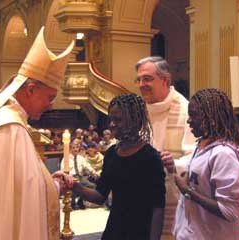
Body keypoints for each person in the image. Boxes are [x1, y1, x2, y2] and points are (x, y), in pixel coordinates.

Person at [0, 26, 74, 240]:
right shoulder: (11, 129)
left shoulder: (1, 119)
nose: (51, 106)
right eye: (49, 97)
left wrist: (46, 180)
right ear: (30, 89)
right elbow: (26, 201)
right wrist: (56, 185)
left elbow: (14, 190)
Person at [66, 93, 166, 240]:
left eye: (118, 120)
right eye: (111, 119)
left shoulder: (150, 157)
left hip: (139, 233)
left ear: (135, 120)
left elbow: (158, 207)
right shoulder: (112, 153)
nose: (112, 124)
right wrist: (75, 186)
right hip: (114, 231)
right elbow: (100, 196)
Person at [135, 56, 196, 239]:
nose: (141, 84)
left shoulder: (186, 111)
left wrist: (172, 164)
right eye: (138, 79)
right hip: (142, 193)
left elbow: (195, 156)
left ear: (165, 80)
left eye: (147, 78)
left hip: (172, 194)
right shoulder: (139, 112)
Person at [174, 88, 239, 240]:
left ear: (211, 118)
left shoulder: (224, 154)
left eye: (193, 115)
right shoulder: (202, 146)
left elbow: (228, 211)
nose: (189, 120)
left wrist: (186, 190)